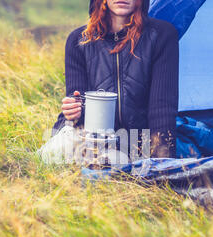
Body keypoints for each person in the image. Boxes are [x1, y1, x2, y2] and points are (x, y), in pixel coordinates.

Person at [49, 0, 179, 160]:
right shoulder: (79, 40)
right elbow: (78, 106)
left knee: (116, 162)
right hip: (94, 140)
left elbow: (162, 108)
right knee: (55, 154)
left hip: (138, 143)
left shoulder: (161, 35)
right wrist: (73, 112)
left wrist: (161, 161)